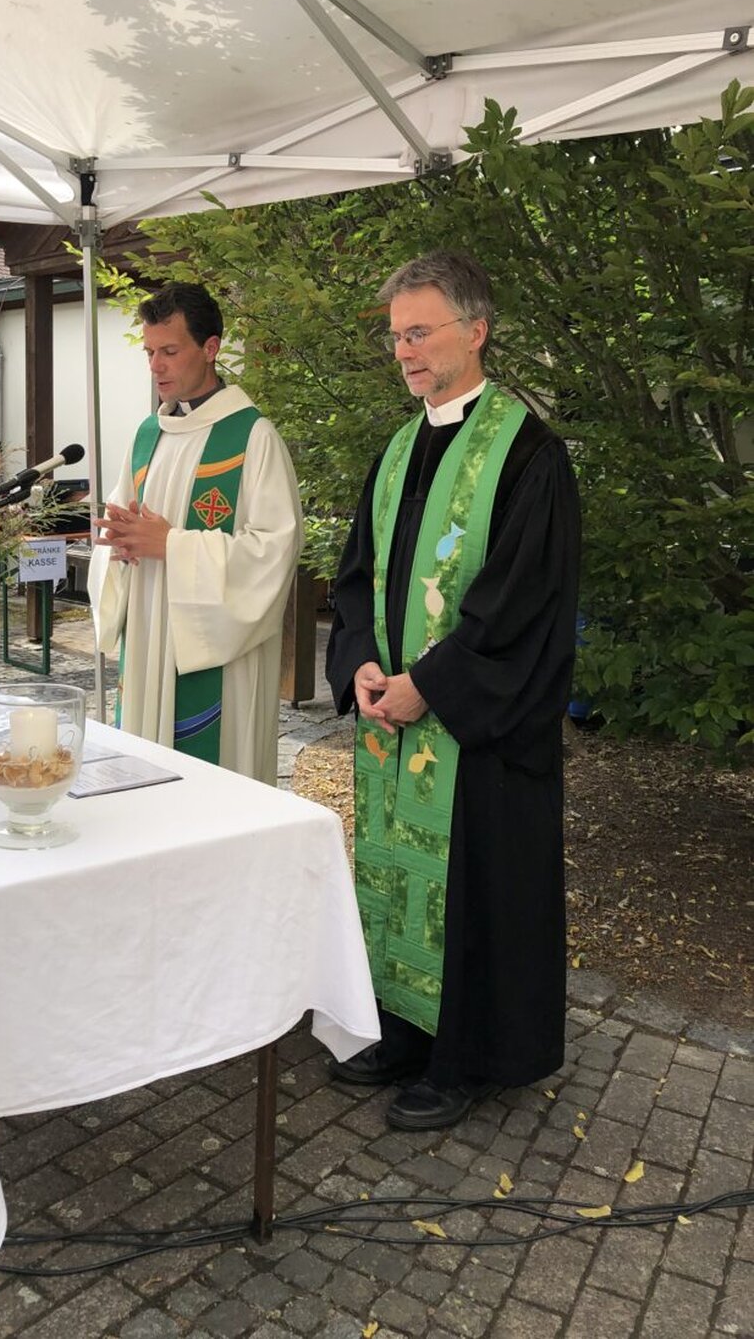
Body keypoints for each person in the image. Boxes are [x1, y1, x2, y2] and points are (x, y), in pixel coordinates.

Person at [326, 251, 580, 1131]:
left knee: (473, 884)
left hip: (475, 735)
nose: (404, 351)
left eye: (420, 331)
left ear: (476, 330)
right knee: (396, 877)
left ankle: (466, 1056)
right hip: (395, 719)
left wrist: (428, 688)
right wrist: (359, 659)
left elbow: (521, 605)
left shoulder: (527, 453)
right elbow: (357, 575)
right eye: (397, 336)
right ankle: (403, 1032)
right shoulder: (399, 449)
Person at [89, 282, 303, 784]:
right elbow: (123, 524)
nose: (155, 366)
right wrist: (118, 546)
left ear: (210, 349)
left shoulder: (253, 437)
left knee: (213, 783)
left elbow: (275, 550)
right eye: (149, 352)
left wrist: (173, 546)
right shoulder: (147, 436)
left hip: (215, 653)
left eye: (169, 351)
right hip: (147, 632)